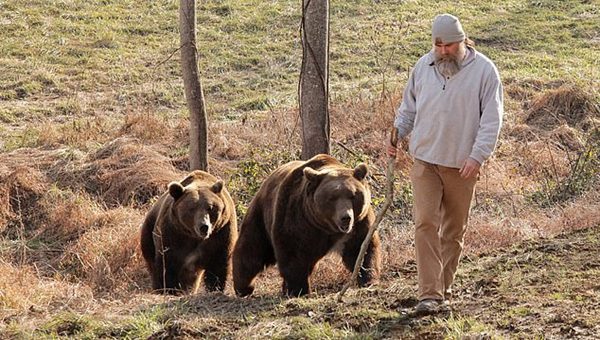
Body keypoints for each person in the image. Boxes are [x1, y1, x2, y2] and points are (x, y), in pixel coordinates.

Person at [386, 13, 503, 315]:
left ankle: (442, 290)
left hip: (461, 164)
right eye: (438, 46)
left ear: (462, 41)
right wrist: (397, 133)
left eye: (449, 46)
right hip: (424, 159)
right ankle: (429, 294)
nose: (443, 52)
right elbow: (408, 107)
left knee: (452, 231)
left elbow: (492, 120)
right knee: (425, 222)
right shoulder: (423, 67)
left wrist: (478, 156)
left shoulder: (485, 72)